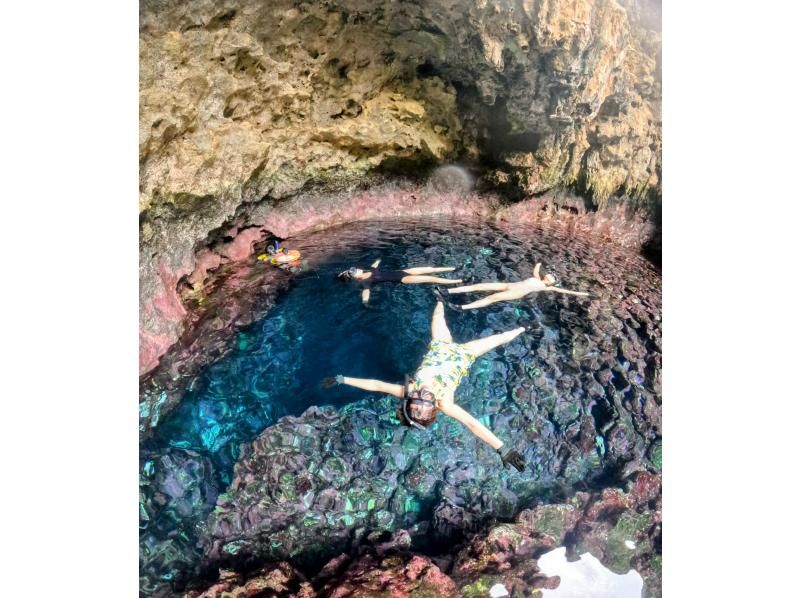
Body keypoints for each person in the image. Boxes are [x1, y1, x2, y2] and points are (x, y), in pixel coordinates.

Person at [321, 300, 528, 471]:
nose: (424, 396)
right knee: (500, 338)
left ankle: (440, 298)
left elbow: (376, 385)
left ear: (411, 401)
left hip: (440, 346)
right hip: (465, 355)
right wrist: (502, 448)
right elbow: (473, 424)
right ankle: (525, 327)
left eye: (416, 403)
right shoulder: (445, 403)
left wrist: (342, 379)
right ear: (433, 409)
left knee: (438, 316)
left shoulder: (408, 391)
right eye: (427, 404)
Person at [437, 262, 589, 310]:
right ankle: (447, 290)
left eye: (553, 277)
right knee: (479, 286)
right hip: (509, 285)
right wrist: (541, 263)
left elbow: (566, 291)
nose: (551, 275)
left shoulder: (547, 287)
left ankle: (461, 307)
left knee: (492, 298)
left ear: (551, 282)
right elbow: (536, 268)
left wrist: (586, 295)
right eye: (551, 274)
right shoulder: (537, 277)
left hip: (517, 292)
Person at [337, 258, 463, 306]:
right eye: (354, 271)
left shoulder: (368, 270)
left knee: (431, 269)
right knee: (431, 278)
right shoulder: (366, 282)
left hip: (405, 271)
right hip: (403, 279)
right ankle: (458, 281)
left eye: (353, 269)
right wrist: (365, 303)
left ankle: (454, 268)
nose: (356, 269)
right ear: (355, 278)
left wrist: (379, 258)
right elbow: (366, 292)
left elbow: (374, 265)